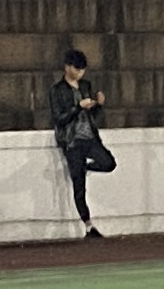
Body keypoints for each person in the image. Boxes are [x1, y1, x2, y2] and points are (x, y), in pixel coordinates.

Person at [47, 45, 115, 237]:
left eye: (82, 70)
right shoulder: (57, 90)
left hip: (89, 137)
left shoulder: (85, 86)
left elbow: (92, 115)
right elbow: (59, 118)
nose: (80, 73)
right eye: (77, 69)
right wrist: (78, 107)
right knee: (79, 185)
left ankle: (85, 167)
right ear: (67, 67)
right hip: (72, 141)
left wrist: (98, 105)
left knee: (108, 163)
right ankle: (88, 225)